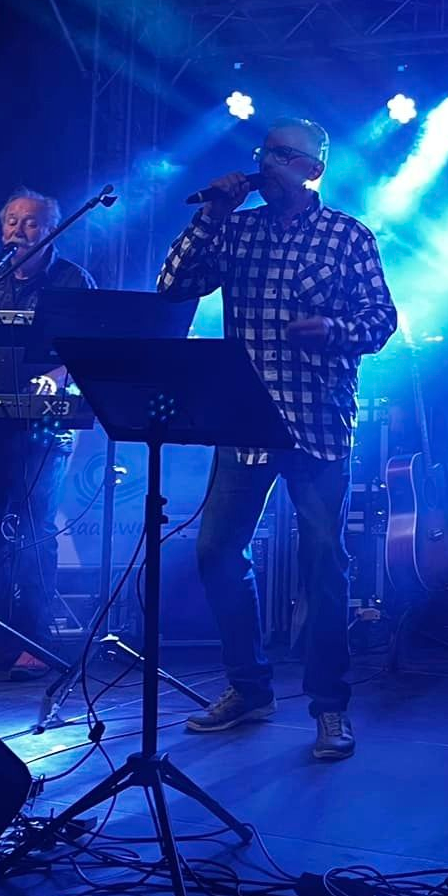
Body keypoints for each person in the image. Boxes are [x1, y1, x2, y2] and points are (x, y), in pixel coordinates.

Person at [159, 118, 398, 761]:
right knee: (216, 552)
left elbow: (381, 319)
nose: (267, 162)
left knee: (323, 563)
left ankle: (329, 707)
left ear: (313, 169)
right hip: (244, 421)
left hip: (317, 422)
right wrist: (212, 214)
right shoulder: (237, 229)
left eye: (282, 155)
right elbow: (172, 288)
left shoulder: (347, 235)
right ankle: (249, 687)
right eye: (264, 151)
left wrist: (334, 330)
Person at [0, 188, 94, 676]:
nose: (18, 230)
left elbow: (87, 347)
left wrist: (54, 377)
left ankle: (36, 639)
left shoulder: (72, 280)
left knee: (33, 529)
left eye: (30, 222)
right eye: (11, 220)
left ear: (50, 230)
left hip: (42, 423)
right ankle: (0, 632)